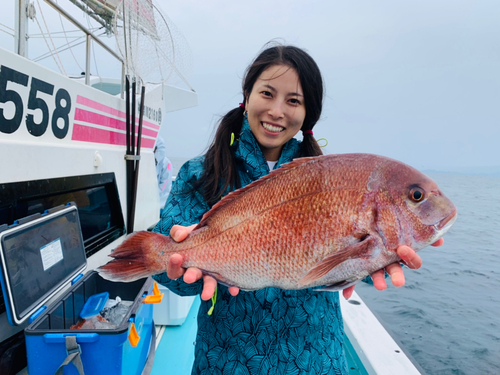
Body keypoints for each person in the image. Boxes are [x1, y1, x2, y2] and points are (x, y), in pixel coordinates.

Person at [153, 44, 444, 374]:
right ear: (246, 97)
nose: (277, 111)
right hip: (226, 360)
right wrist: (178, 265)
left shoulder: (330, 177)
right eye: (267, 93)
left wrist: (372, 261)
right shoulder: (201, 172)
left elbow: (339, 259)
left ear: (308, 114)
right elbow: (170, 265)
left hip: (315, 361)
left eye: (293, 101)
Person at [154, 135, 173, 211]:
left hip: (162, 201)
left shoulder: (166, 163)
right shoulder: (147, 162)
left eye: (155, 148)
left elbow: (165, 185)